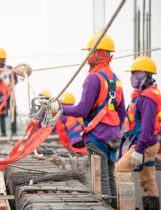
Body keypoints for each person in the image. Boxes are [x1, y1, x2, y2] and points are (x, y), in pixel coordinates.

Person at [51, 33, 126, 208]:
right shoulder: (116, 80)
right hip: (113, 137)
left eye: (90, 53)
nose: (88, 57)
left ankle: (105, 207)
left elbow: (82, 110)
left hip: (97, 137)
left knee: (101, 179)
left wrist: (60, 108)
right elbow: (121, 112)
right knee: (110, 175)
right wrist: (114, 131)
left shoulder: (94, 78)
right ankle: (114, 207)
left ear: (98, 53)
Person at [115, 56, 160, 210]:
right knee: (148, 180)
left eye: (137, 74)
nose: (134, 78)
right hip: (149, 142)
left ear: (147, 76)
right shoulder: (145, 95)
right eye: (133, 74)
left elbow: (147, 126)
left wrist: (139, 150)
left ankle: (127, 206)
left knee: (119, 169)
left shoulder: (148, 98)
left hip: (145, 143)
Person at [0, 48, 18, 137]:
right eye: (1, 58)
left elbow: (16, 79)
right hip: (0, 95)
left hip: (10, 94)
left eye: (4, 58)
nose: (3, 60)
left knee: (13, 112)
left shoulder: (10, 68)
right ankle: (3, 132)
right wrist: (0, 77)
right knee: (1, 113)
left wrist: (12, 84)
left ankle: (14, 131)